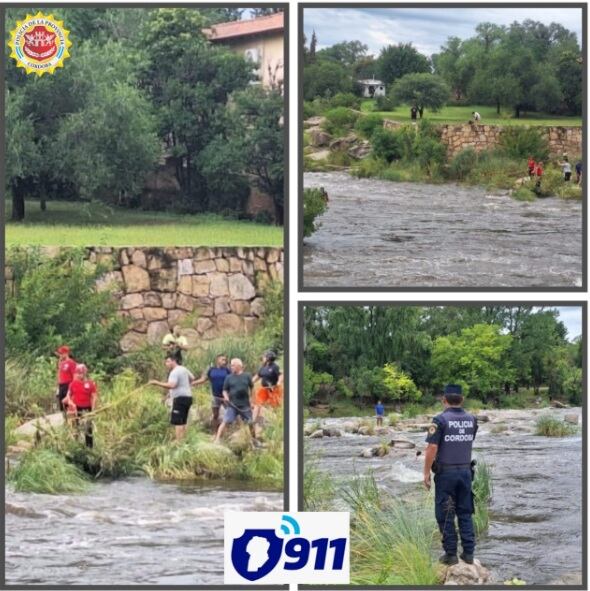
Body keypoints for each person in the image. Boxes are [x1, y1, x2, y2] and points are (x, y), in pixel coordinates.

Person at [423, 384, 478, 566]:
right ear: (462, 399)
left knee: (445, 513)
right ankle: (469, 553)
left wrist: (426, 473)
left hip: (446, 474)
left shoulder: (439, 420)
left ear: (444, 400)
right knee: (465, 512)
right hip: (465, 472)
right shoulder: (472, 420)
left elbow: (432, 448)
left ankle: (451, 554)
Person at [149, 354, 195, 441]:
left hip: (180, 399)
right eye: (166, 362)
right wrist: (185, 386)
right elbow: (192, 378)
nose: (166, 364)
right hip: (188, 398)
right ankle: (183, 440)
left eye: (168, 361)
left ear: (174, 361)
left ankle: (178, 442)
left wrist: (156, 383)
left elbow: (172, 385)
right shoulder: (183, 368)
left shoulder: (174, 372)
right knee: (183, 420)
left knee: (178, 421)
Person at [214, 358, 257, 445]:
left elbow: (252, 388)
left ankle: (254, 440)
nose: (231, 367)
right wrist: (226, 397)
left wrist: (252, 401)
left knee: (250, 423)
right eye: (231, 365)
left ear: (239, 366)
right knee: (225, 421)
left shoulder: (247, 376)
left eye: (233, 365)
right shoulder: (228, 377)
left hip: (245, 405)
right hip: (232, 405)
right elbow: (224, 390)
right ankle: (217, 439)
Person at [193, 354, 231, 433]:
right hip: (215, 396)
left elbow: (233, 380)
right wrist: (192, 383)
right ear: (217, 360)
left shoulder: (227, 370)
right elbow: (203, 379)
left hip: (226, 396)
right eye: (222, 359)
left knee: (229, 413)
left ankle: (227, 432)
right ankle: (214, 432)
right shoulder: (211, 370)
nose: (224, 361)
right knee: (215, 415)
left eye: (225, 360)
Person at [64, 364, 98, 448]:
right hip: (76, 409)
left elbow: (94, 396)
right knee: (76, 428)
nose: (79, 375)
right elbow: (68, 396)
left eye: (81, 373)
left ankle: (89, 447)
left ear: (85, 373)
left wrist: (93, 409)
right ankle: (77, 446)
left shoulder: (90, 384)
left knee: (88, 428)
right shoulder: (73, 384)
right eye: (77, 373)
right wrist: (72, 403)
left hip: (87, 409)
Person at [252, 351, 283, 423]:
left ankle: (278, 422)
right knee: (257, 404)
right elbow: (257, 376)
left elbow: (281, 375)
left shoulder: (275, 367)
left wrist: (279, 382)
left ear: (268, 358)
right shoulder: (263, 367)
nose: (263, 358)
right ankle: (253, 421)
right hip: (264, 389)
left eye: (264, 357)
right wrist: (250, 382)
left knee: (275, 407)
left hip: (273, 389)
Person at [55, 345, 77, 415]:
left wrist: (72, 387)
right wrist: (57, 387)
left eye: (61, 353)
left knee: (68, 404)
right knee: (62, 404)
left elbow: (75, 376)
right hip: (61, 385)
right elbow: (59, 375)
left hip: (68, 384)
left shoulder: (71, 363)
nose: (60, 355)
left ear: (66, 353)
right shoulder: (61, 363)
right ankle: (64, 420)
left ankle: (71, 421)